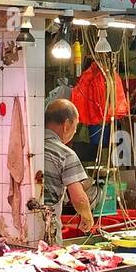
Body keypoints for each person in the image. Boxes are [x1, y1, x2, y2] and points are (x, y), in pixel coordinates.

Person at [42, 99, 95, 234]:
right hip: (47, 229)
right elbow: (78, 198)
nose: (75, 131)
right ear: (66, 125)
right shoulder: (65, 154)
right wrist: (87, 218)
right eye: (75, 127)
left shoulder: (29, 146)